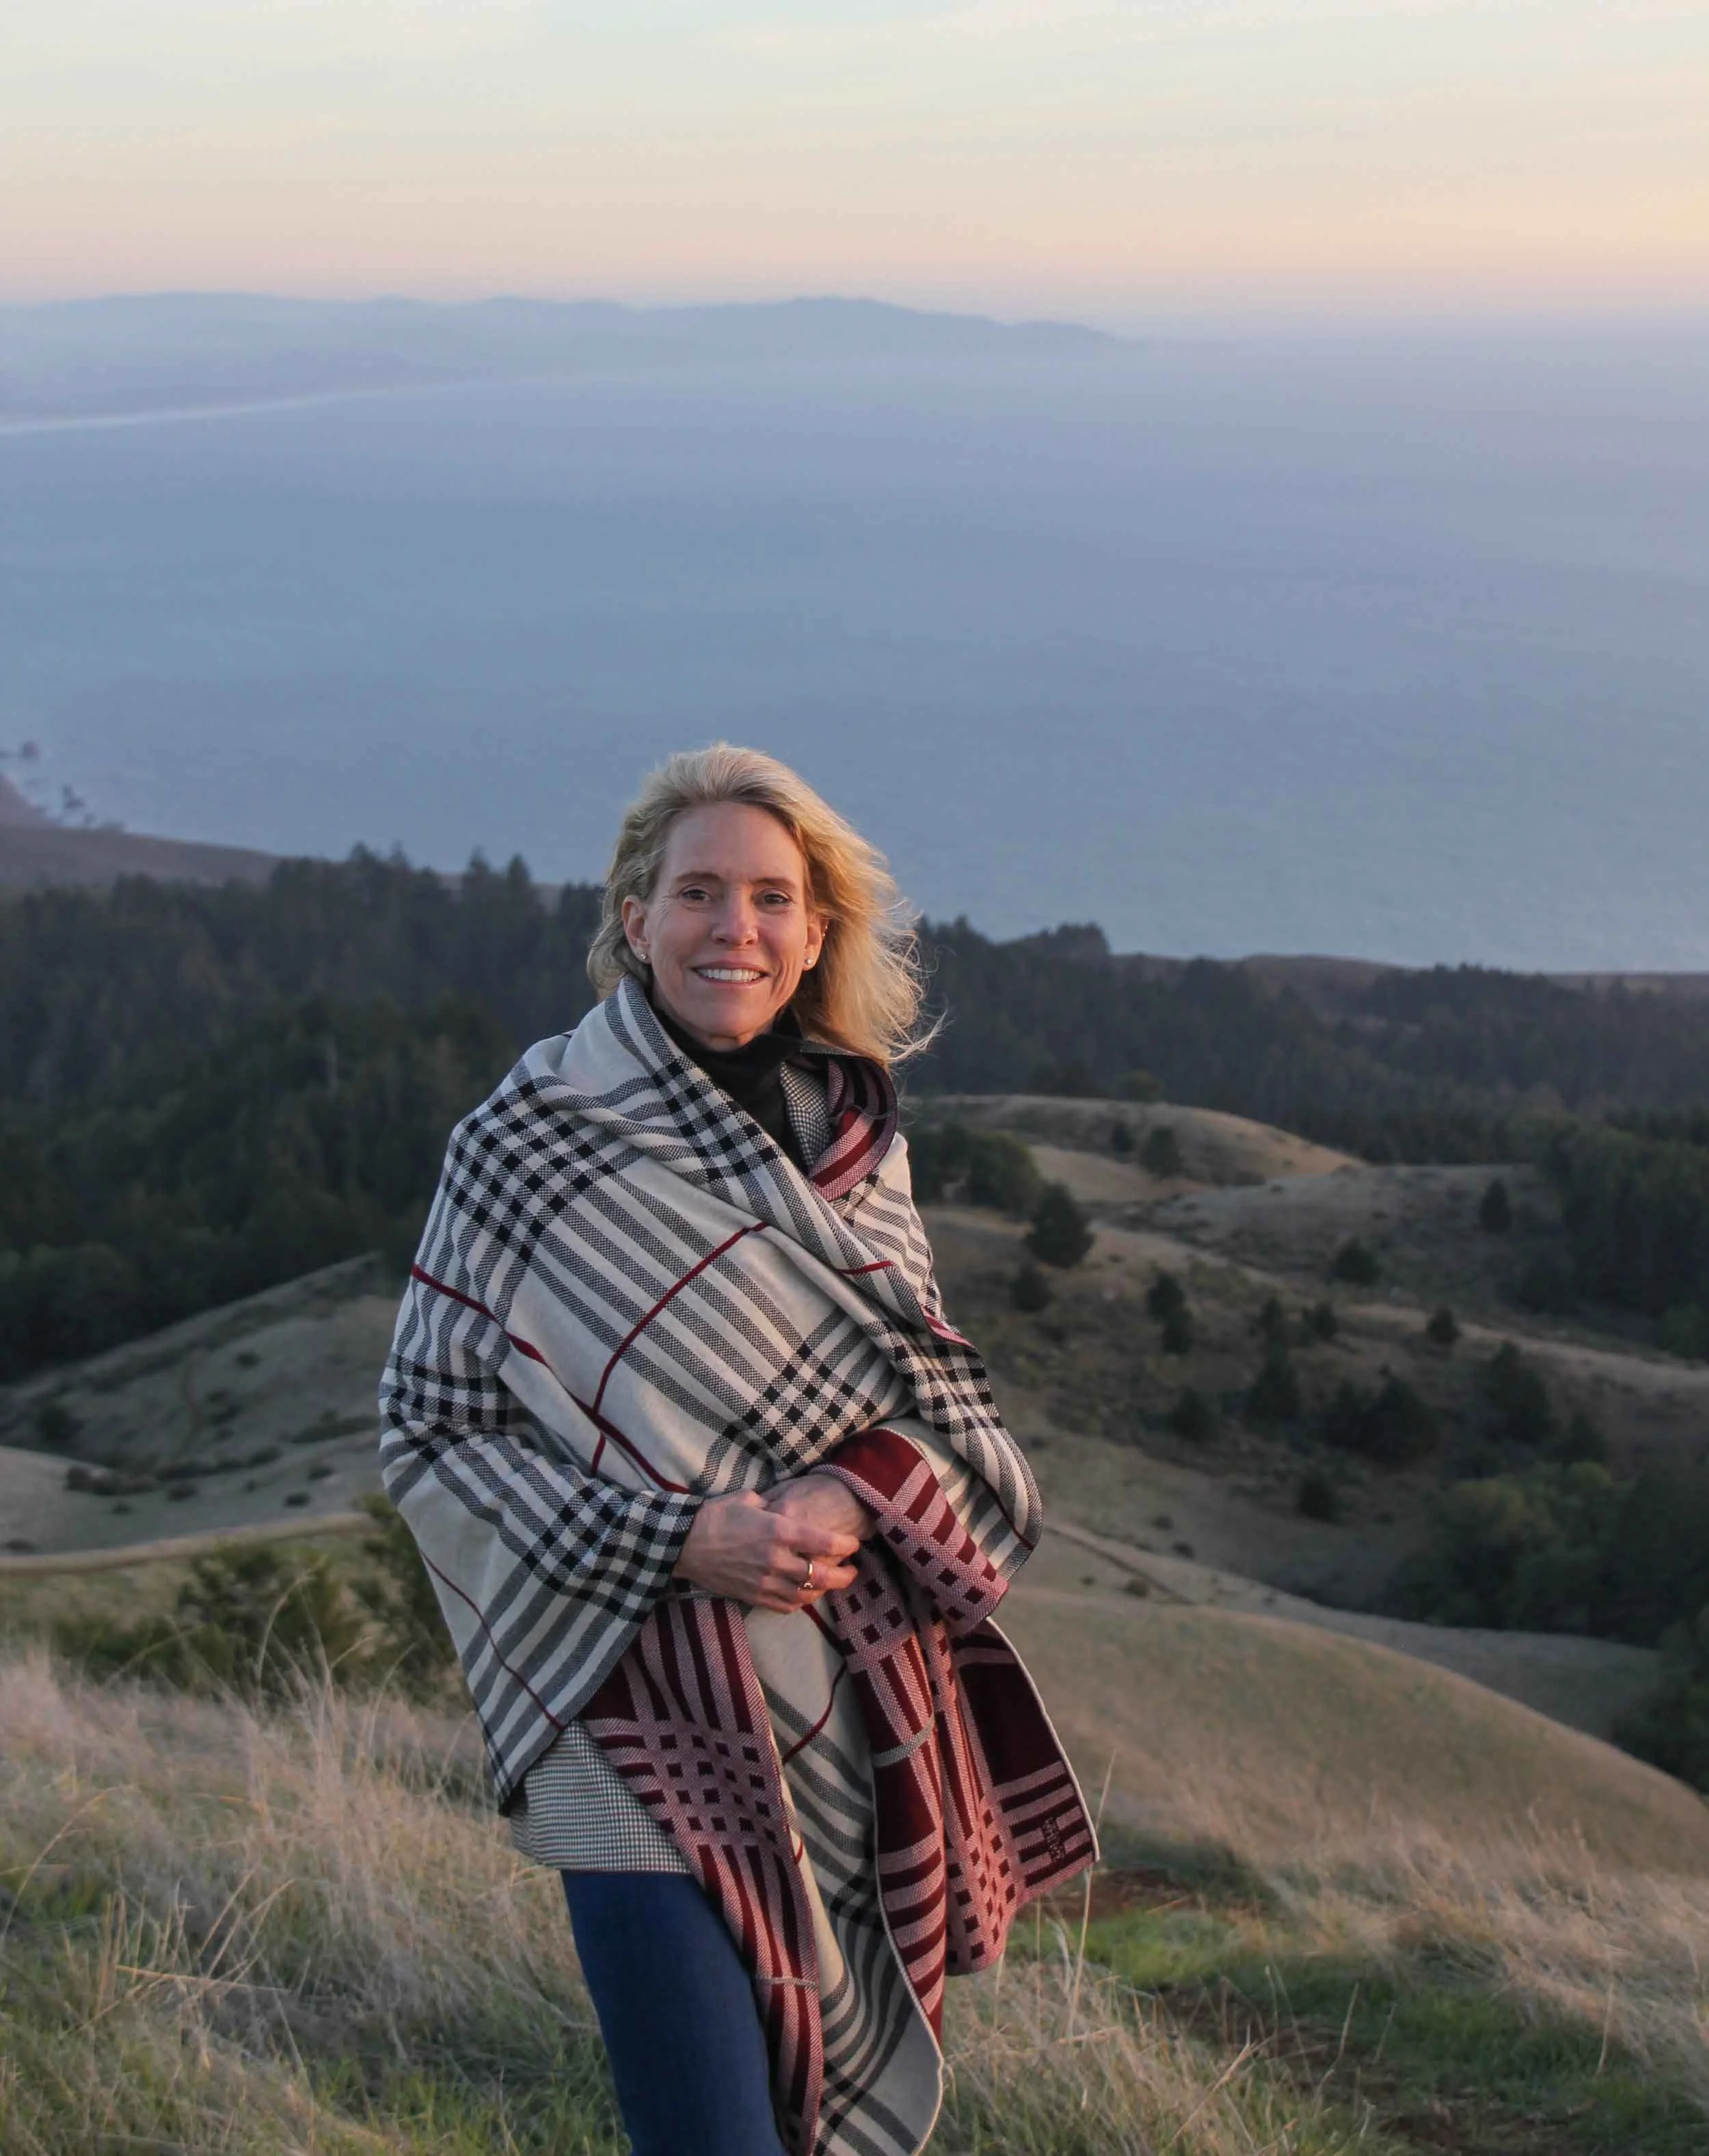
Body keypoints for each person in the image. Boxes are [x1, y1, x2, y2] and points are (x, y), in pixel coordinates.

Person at [379, 745, 1095, 2156]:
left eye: (772, 897)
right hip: (631, 1712)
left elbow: (950, 1422)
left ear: (817, 929)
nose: (736, 928)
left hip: (846, 1700)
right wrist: (682, 1537)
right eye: (696, 891)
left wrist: (848, 1487)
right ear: (632, 918)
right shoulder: (529, 1137)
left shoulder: (855, 1135)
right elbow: (430, 1428)